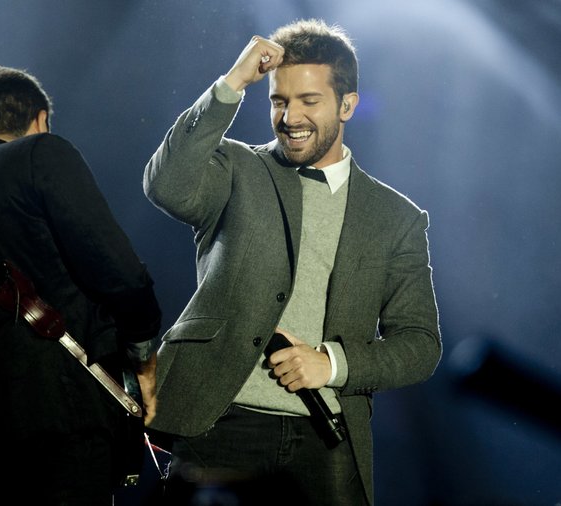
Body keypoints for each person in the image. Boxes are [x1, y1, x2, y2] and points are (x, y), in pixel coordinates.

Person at [143, 19, 442, 506]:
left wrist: (332, 363)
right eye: (279, 101)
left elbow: (420, 345)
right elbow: (166, 185)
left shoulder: (396, 218)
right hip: (218, 424)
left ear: (347, 105)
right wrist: (233, 83)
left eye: (309, 101)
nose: (289, 117)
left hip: (326, 439)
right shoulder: (238, 168)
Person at [0, 65, 162, 506]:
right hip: (61, 440)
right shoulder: (42, 153)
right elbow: (122, 275)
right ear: (40, 121)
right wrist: (144, 359)